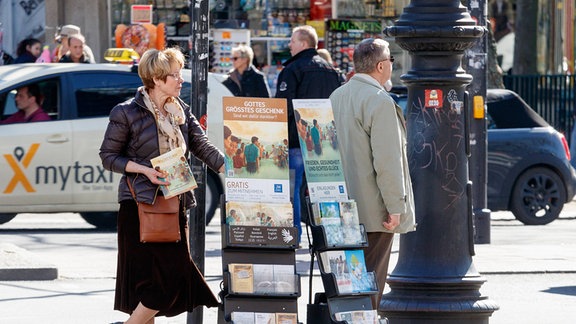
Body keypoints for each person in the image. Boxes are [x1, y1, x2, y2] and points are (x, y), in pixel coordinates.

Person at [99, 47, 225, 323]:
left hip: (174, 201)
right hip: (139, 205)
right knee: (148, 284)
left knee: (169, 279)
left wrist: (230, 167)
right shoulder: (126, 112)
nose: (181, 80)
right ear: (156, 79)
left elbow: (201, 145)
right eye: (175, 76)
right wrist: (146, 170)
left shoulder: (181, 111)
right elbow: (108, 157)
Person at [329, 38, 416, 309]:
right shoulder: (380, 102)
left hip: (338, 208)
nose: (392, 65)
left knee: (345, 287)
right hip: (373, 212)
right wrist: (395, 207)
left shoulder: (336, 96)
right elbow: (387, 161)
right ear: (380, 66)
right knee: (369, 285)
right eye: (391, 60)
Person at [275, 25, 343, 234]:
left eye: (293, 41)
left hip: (296, 142)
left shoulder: (292, 70)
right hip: (326, 143)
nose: (289, 45)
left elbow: (283, 107)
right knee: (325, 190)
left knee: (293, 190)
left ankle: (294, 234)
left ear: (303, 43)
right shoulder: (333, 72)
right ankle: (329, 234)